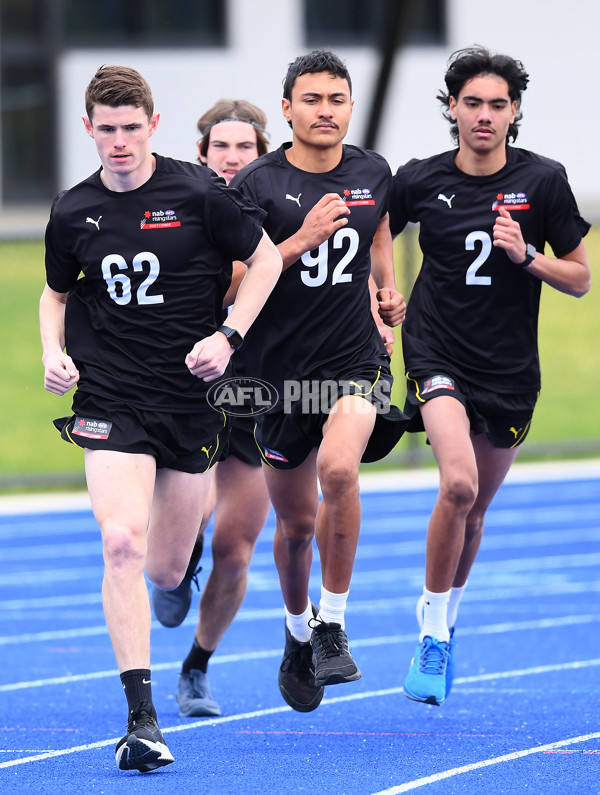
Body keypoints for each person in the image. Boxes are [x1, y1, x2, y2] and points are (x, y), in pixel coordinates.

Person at [39, 65, 282, 772]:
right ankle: (141, 718)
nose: (118, 141)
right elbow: (55, 295)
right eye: (105, 129)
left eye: (130, 127)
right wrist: (53, 352)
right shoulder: (71, 210)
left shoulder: (200, 192)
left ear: (153, 126)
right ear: (89, 129)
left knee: (165, 565)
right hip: (110, 397)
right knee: (119, 540)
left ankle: (178, 571)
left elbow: (264, 261)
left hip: (188, 401)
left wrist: (228, 335)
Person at [388, 45, 591, 707]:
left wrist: (527, 254)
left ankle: (449, 611)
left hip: (508, 369)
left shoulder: (544, 181)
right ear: (452, 107)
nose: (483, 115)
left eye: (496, 104)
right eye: (471, 102)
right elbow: (371, 233)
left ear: (514, 111)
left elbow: (581, 278)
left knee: (474, 511)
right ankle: (432, 626)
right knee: (458, 483)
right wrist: (381, 295)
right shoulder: (421, 178)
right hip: (436, 351)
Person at [230, 50, 408, 713]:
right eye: (312, 99)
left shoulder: (372, 172)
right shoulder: (255, 185)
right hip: (277, 379)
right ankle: (297, 629)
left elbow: (379, 234)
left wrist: (387, 292)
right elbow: (232, 283)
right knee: (297, 526)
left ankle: (332, 623)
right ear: (286, 109)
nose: (325, 110)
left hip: (355, 363)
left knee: (340, 470)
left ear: (350, 107)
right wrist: (298, 240)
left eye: (337, 99)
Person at [151, 99, 273, 719]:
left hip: (259, 390)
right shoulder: (181, 209)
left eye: (244, 148)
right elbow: (232, 282)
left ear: (262, 154)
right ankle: (171, 567)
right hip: (192, 385)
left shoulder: (278, 205)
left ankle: (196, 667)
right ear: (202, 155)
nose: (231, 158)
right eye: (220, 147)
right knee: (187, 529)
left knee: (238, 547)